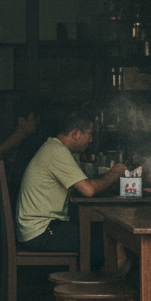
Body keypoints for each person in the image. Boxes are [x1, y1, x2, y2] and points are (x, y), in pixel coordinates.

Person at [15, 106, 127, 270]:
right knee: (108, 245)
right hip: (42, 232)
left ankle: (98, 285)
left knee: (100, 234)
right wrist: (116, 172)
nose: (90, 139)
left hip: (40, 229)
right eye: (89, 134)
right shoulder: (57, 152)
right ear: (75, 133)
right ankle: (101, 289)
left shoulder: (54, 148)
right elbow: (88, 190)